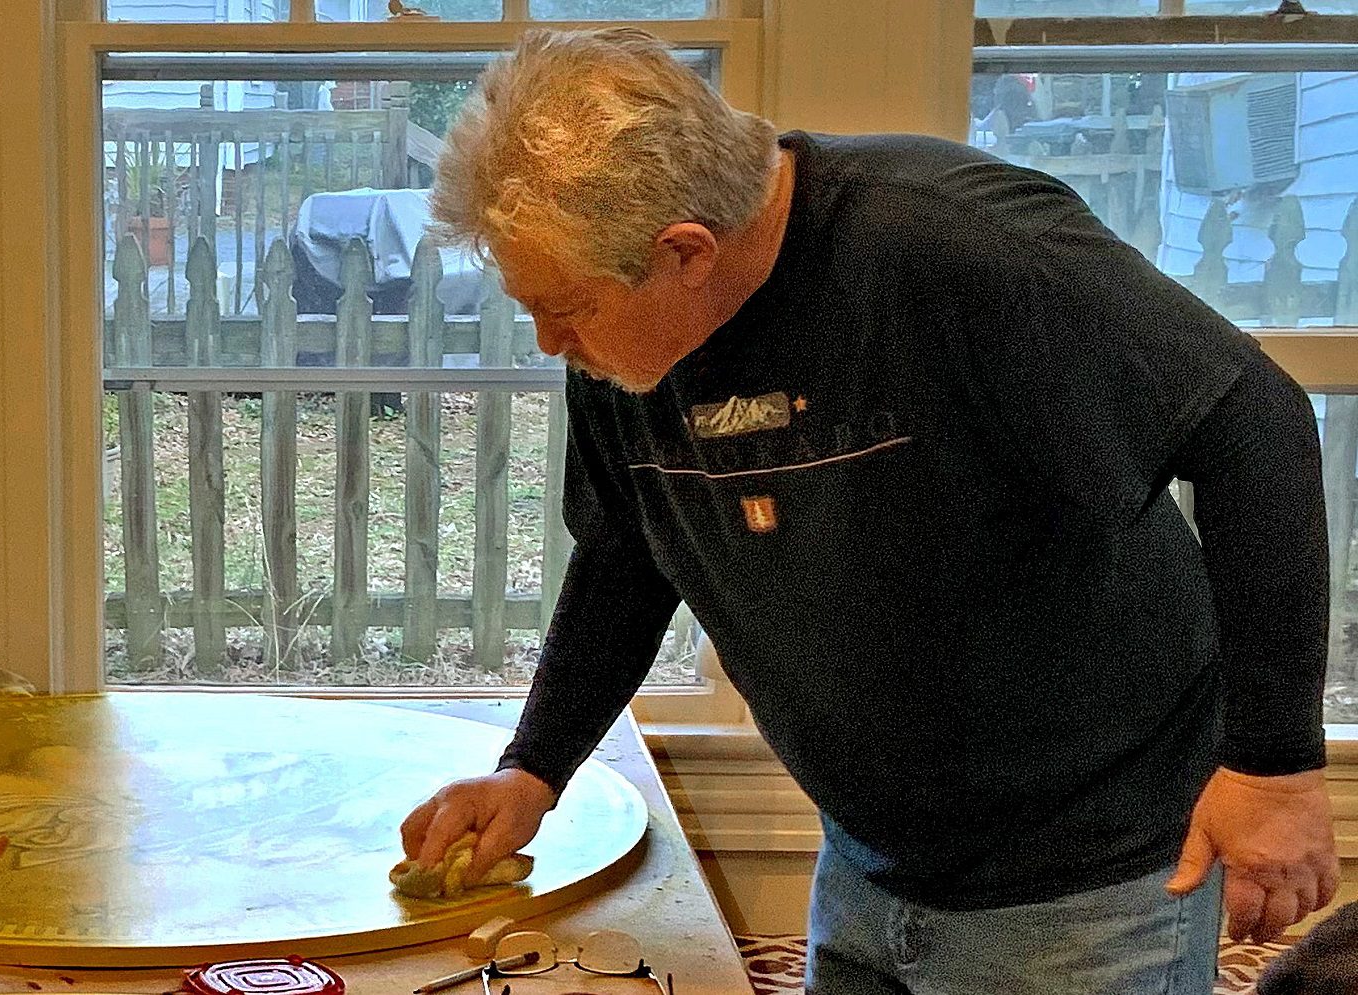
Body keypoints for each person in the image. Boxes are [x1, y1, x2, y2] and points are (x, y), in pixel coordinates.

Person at [397, 26, 1339, 994]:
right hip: (869, 848)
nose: (553, 339)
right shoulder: (626, 344)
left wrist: (1273, 768)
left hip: (1088, 864)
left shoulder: (957, 248)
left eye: (569, 306)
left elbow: (1252, 420)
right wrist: (535, 767)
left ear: (686, 251)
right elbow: (630, 550)